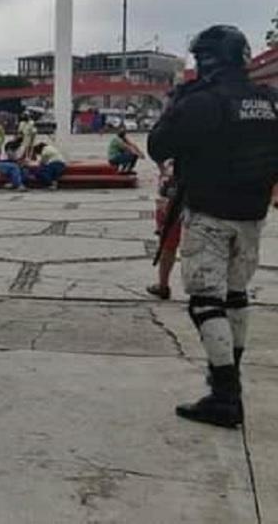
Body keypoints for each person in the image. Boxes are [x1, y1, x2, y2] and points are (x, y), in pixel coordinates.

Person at [148, 24, 278, 428]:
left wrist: (178, 104)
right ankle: (228, 377)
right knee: (236, 296)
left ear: (205, 59)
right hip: (253, 214)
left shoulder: (202, 100)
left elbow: (158, 145)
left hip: (209, 212)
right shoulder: (269, 100)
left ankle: (224, 393)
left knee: (206, 300)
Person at [146, 160, 180, 300]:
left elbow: (155, 150)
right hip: (186, 197)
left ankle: (163, 285)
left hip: (171, 201)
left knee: (168, 246)